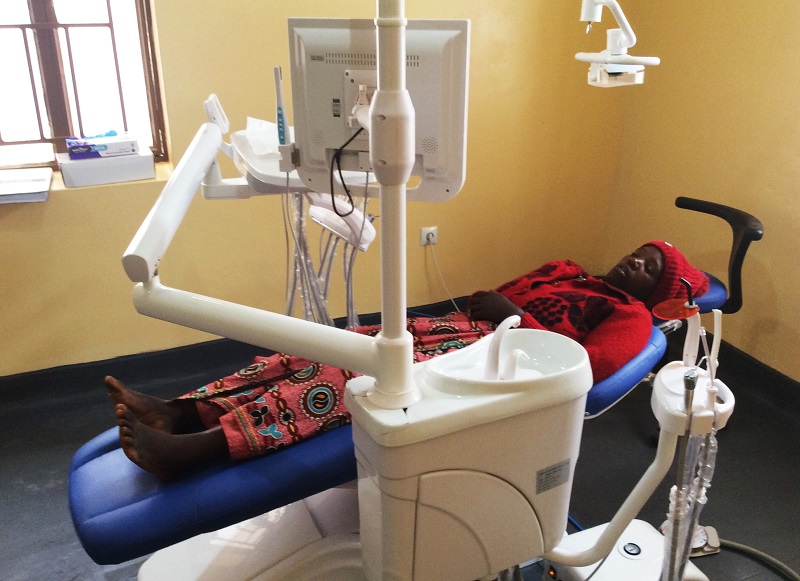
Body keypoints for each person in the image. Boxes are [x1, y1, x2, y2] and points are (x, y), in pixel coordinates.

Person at [106, 240, 708, 480]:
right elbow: (497, 293)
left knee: (346, 376)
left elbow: (582, 367)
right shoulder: (569, 270)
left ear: (656, 290)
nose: (635, 263)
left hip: (496, 363)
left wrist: (513, 319)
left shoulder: (631, 317)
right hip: (462, 329)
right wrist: (498, 304)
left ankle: (203, 449)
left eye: (650, 268)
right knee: (318, 346)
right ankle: (186, 412)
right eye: (639, 253)